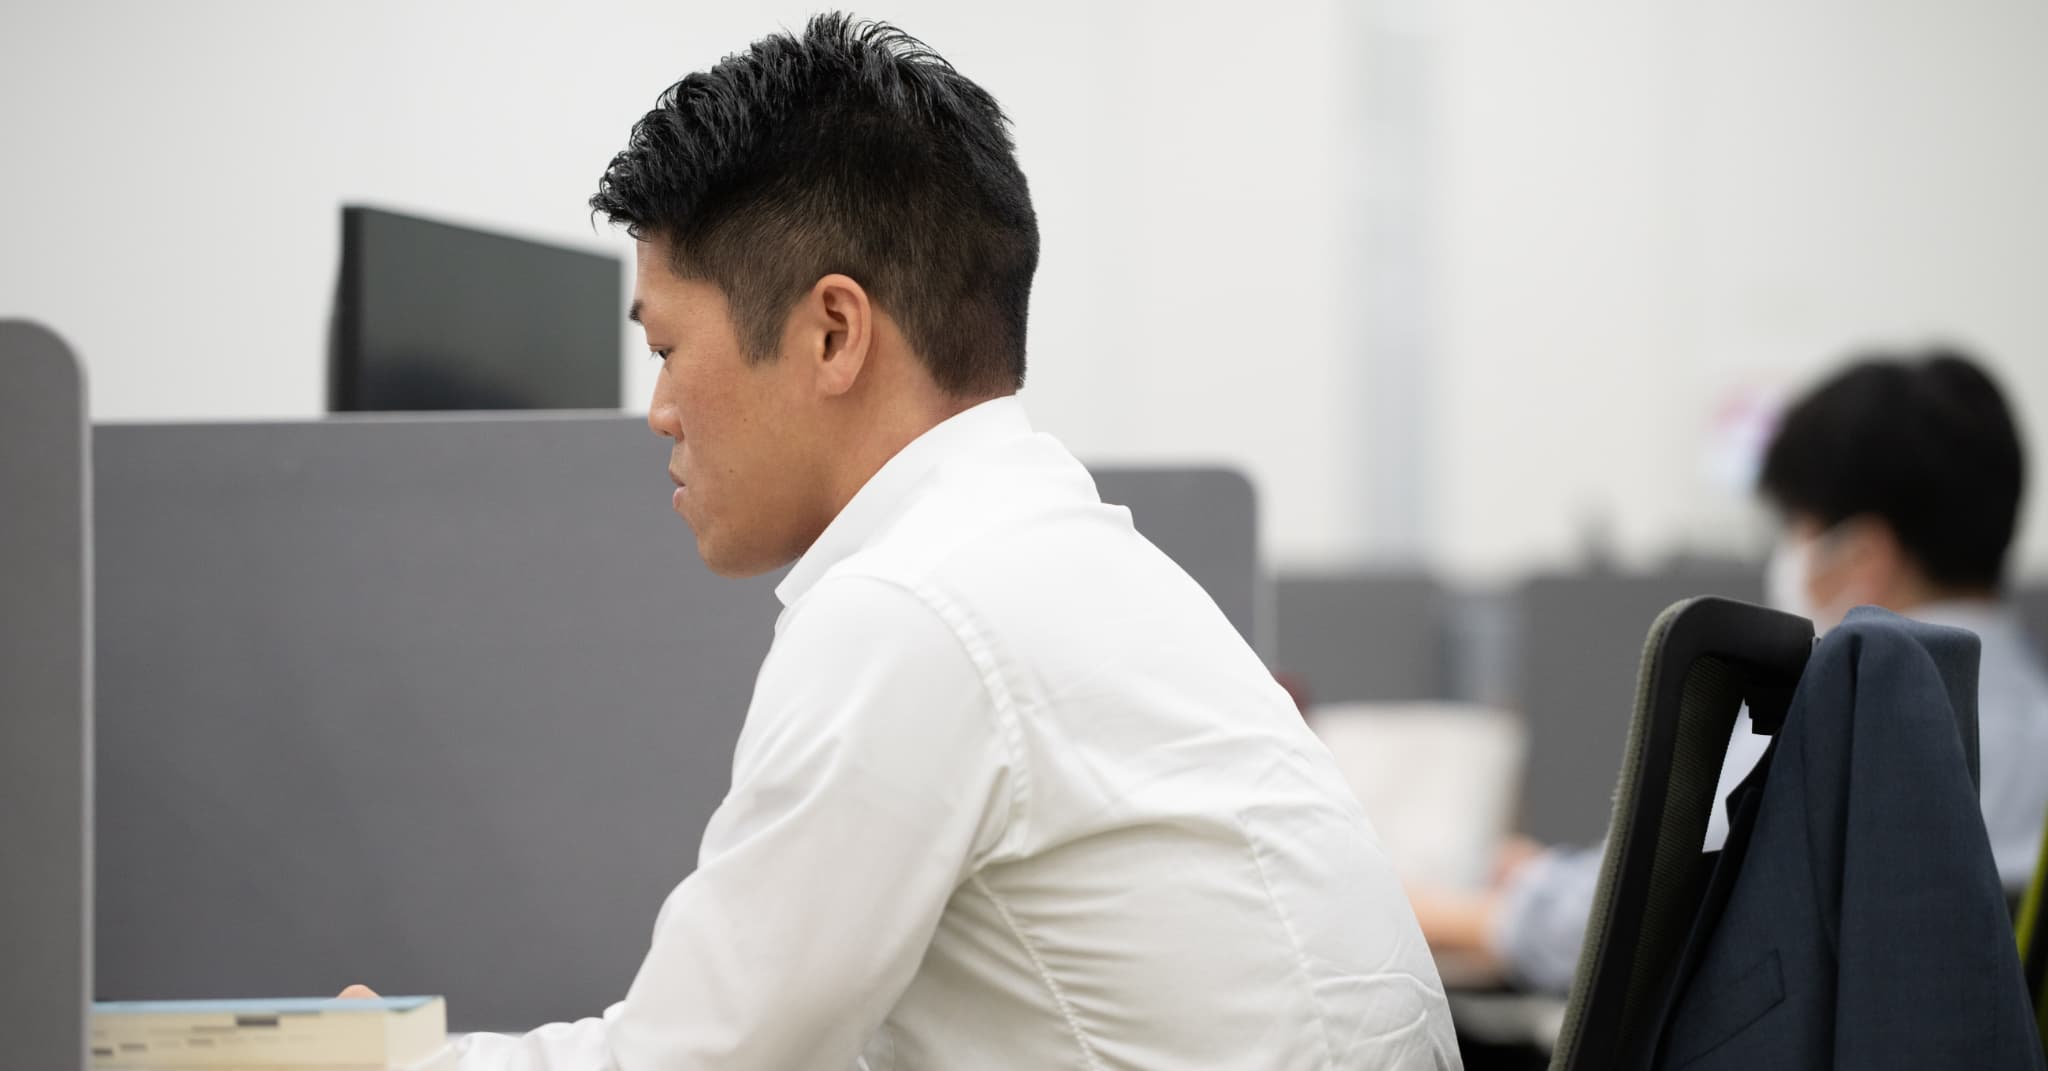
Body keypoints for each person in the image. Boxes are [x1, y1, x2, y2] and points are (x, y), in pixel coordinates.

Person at [343, 14, 1460, 1069]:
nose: (661, 412)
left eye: (670, 349)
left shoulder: (916, 611)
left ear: (833, 332)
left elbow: (701, 1060)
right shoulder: (1047, 552)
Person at [1413, 348, 2048, 995]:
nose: (1789, 553)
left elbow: (1632, 930)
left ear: (1863, 557)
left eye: (1797, 524)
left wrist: (1435, 913)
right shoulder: (2033, 727)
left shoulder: (1832, 735)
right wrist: (1548, 878)